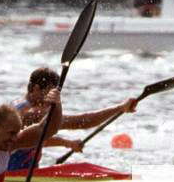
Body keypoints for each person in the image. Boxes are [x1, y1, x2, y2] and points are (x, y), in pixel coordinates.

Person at [7, 67, 138, 171]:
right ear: (36, 89)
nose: (51, 99)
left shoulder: (17, 104)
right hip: (13, 175)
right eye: (50, 93)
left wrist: (67, 143)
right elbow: (82, 122)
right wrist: (120, 108)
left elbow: (32, 139)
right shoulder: (31, 113)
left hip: (14, 172)